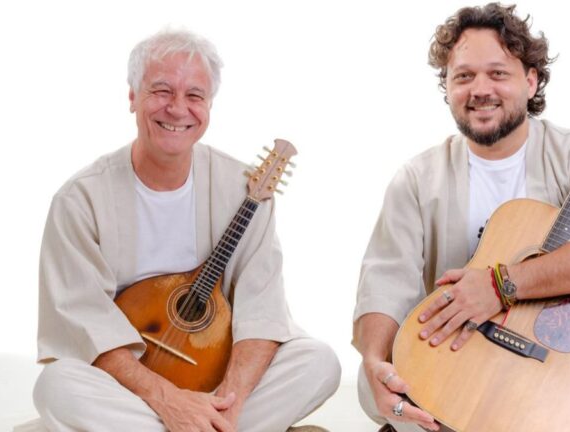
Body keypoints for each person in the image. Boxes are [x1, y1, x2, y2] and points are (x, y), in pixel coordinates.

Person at [353, 4, 570, 432]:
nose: (480, 89)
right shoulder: (417, 177)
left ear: (531, 80)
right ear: (447, 87)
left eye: (498, 73)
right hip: (453, 353)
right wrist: (375, 361)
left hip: (553, 363)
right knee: (370, 381)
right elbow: (385, 281)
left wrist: (500, 285)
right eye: (464, 76)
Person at [31, 29, 339, 432]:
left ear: (209, 105)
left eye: (195, 95)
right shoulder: (80, 200)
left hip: (217, 379)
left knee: (319, 363)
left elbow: (262, 312)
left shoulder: (247, 190)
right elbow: (84, 322)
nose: (178, 109)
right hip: (130, 385)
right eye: (161, 91)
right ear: (132, 96)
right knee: (56, 387)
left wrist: (229, 403)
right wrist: (169, 400)